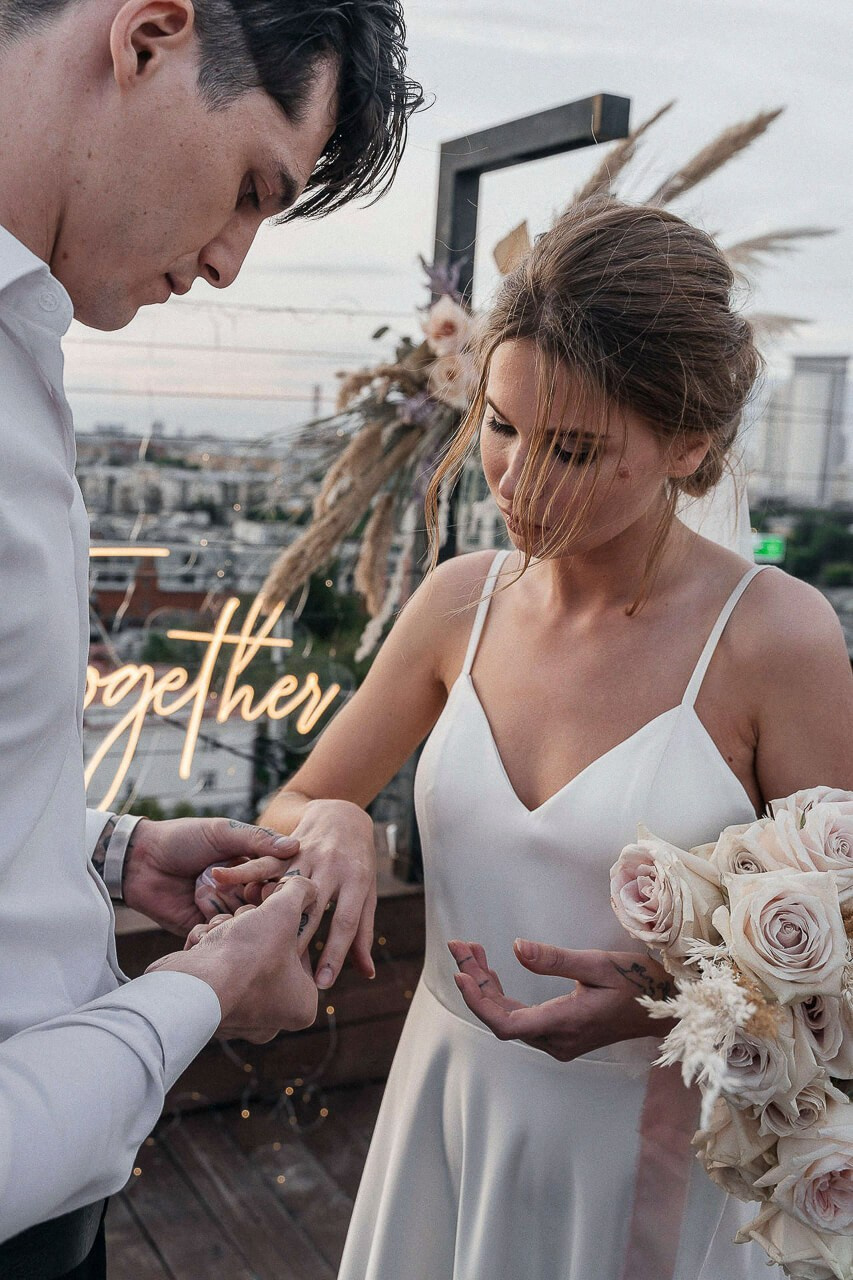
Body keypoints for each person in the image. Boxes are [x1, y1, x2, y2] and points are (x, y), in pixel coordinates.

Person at [202, 199, 853, 1279]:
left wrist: (664, 996)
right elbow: (293, 801)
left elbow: (843, 955)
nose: (515, 477)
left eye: (574, 447)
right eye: (502, 425)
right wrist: (333, 817)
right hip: (445, 1103)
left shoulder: (773, 637)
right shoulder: (461, 599)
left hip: (655, 1150)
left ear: (688, 443)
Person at [0, 0, 421, 1273]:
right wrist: (211, 987)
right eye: (251, 186)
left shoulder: (27, 349)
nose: (233, 260)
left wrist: (107, 848)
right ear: (150, 34)